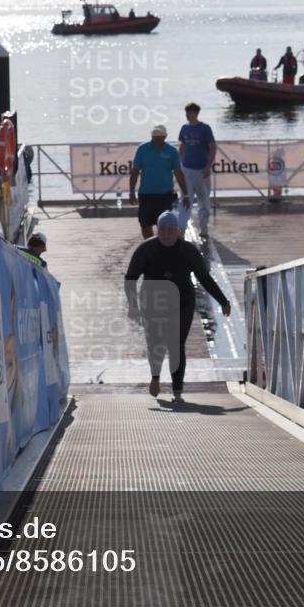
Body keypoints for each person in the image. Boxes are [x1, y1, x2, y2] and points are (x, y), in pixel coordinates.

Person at [124, 211, 231, 401]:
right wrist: (133, 305)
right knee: (155, 342)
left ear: (178, 231)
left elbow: (204, 278)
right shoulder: (146, 249)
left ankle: (177, 391)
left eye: (170, 230)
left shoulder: (188, 250)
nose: (166, 234)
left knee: (176, 343)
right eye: (162, 230)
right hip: (153, 301)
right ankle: (155, 377)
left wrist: (223, 301)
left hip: (182, 301)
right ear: (157, 230)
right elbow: (130, 278)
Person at [128, 124, 190, 239]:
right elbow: (135, 171)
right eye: (154, 136)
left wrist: (185, 194)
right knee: (145, 224)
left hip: (164, 195)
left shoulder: (172, 151)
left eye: (159, 137)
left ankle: (162, 244)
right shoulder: (142, 149)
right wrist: (131, 192)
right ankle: (149, 244)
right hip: (146, 194)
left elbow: (178, 173)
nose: (156, 139)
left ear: (165, 137)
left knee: (164, 224)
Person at [177, 102, 216, 238]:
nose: (187, 115)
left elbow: (212, 147)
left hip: (202, 171)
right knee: (185, 200)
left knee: (204, 202)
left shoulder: (205, 128)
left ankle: (204, 229)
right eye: (186, 112)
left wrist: (208, 166)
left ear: (196, 113)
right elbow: (182, 146)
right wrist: (179, 164)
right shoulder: (184, 128)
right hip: (187, 170)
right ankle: (181, 229)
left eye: (190, 112)